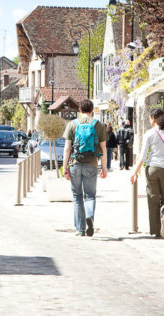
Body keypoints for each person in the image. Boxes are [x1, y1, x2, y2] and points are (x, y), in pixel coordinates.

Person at [130, 108, 164, 238]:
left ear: (153, 118)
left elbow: (142, 156)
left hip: (151, 169)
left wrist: (134, 173)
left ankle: (155, 231)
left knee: (152, 200)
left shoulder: (149, 134)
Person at [62, 99, 107, 237]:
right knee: (90, 195)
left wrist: (64, 167)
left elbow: (67, 148)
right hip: (92, 164)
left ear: (80, 110)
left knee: (77, 196)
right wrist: (104, 168)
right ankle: (90, 215)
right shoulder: (98, 124)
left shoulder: (72, 124)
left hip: (75, 164)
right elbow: (103, 149)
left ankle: (80, 229)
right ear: (92, 110)